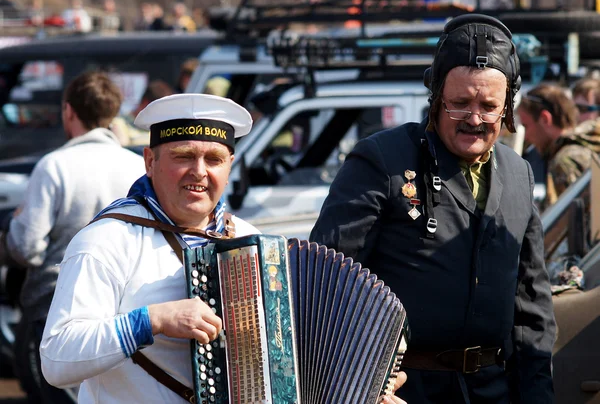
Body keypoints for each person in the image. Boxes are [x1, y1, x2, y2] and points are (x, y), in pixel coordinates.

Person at [39, 92, 408, 403]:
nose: (199, 171)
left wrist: (365, 389)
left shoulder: (252, 242)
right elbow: (57, 360)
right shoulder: (108, 239)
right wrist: (152, 320)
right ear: (150, 162)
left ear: (230, 165)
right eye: (183, 155)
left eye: (214, 159)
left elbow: (297, 363)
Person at [310, 14, 556, 403]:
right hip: (402, 391)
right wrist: (360, 386)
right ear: (436, 97)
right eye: (460, 103)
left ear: (507, 108)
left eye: (489, 106)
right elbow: (326, 282)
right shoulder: (381, 160)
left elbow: (531, 306)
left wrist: (538, 395)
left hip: (494, 391)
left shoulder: (519, 173)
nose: (474, 119)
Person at [0, 71, 145, 403]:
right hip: (121, 312)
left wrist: (10, 232)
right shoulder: (137, 166)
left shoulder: (54, 166)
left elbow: (25, 247)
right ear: (112, 113)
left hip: (53, 309)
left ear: (68, 111)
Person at [517, 83, 600, 210]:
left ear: (545, 119)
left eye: (526, 126)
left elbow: (568, 226)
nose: (526, 136)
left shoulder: (564, 162)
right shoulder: (581, 148)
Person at [111, 80, 174, 146]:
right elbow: (123, 148)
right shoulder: (119, 122)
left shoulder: (163, 127)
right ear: (145, 103)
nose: (162, 115)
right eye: (160, 110)